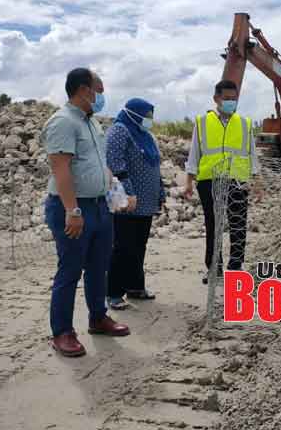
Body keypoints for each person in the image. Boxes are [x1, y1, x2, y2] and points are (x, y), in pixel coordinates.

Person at [41, 68, 130, 358]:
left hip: (99, 206)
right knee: (70, 270)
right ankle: (62, 332)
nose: (102, 95)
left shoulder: (91, 123)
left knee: (98, 266)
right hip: (74, 207)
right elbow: (61, 168)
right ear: (83, 89)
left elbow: (97, 164)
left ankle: (98, 317)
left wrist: (113, 190)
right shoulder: (63, 122)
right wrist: (72, 210)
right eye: (98, 89)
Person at [183, 80, 260, 283]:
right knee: (213, 225)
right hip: (210, 180)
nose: (230, 102)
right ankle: (213, 267)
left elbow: (252, 154)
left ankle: (235, 267)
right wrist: (189, 181)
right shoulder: (202, 122)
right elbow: (194, 153)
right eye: (226, 99)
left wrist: (257, 180)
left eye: (234, 99)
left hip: (237, 180)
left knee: (238, 224)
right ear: (216, 99)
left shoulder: (245, 124)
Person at [105, 98, 165, 309]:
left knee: (139, 245)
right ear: (133, 113)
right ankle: (113, 293)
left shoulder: (146, 136)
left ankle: (135, 287)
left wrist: (160, 192)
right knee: (122, 246)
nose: (150, 120)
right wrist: (128, 193)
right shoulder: (120, 130)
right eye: (147, 115)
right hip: (123, 198)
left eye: (151, 115)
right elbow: (115, 163)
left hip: (144, 202)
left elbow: (155, 165)